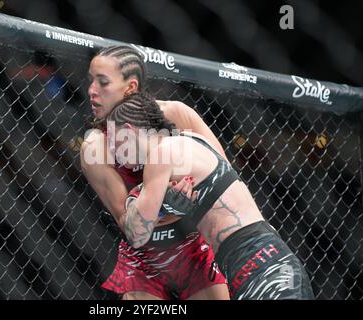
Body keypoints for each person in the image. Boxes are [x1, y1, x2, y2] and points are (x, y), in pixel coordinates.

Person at [106, 92, 315, 300]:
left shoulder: (160, 154)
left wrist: (147, 204)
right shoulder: (194, 140)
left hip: (256, 263)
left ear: (127, 131)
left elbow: (137, 234)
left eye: (113, 140)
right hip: (270, 256)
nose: (112, 150)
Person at [81, 45, 230, 300]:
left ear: (130, 88)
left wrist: (188, 199)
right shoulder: (95, 146)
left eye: (102, 82)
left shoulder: (176, 114)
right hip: (144, 258)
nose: (91, 91)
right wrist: (165, 205)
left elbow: (225, 180)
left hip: (194, 243)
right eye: (91, 81)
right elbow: (129, 225)